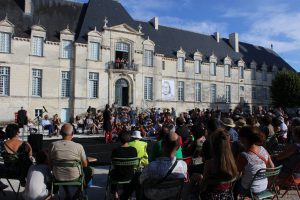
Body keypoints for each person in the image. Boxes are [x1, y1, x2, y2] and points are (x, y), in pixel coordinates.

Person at [48, 123, 93, 199]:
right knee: (90, 170)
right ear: (72, 134)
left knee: (63, 169)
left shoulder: (53, 145)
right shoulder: (78, 146)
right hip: (75, 176)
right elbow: (85, 164)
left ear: (61, 133)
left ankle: (68, 193)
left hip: (58, 177)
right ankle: (77, 194)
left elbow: (50, 163)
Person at [140, 132, 187, 200]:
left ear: (162, 145)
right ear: (178, 147)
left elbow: (141, 182)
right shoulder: (183, 166)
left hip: (152, 197)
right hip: (173, 197)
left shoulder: (150, 167)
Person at [235, 126, 274, 197]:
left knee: (234, 185)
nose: (238, 138)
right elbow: (272, 167)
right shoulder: (263, 149)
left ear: (244, 139)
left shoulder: (244, 155)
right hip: (264, 187)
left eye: (239, 136)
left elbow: (236, 174)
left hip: (250, 190)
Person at [199, 129, 238, 199]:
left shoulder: (210, 163)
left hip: (210, 196)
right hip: (227, 196)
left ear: (213, 145)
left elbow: (202, 186)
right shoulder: (233, 161)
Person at [110, 131, 138, 200]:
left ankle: (115, 194)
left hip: (118, 175)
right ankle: (127, 194)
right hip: (130, 175)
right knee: (127, 169)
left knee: (112, 172)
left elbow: (112, 162)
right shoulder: (133, 150)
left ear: (119, 139)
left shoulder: (116, 150)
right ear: (129, 139)